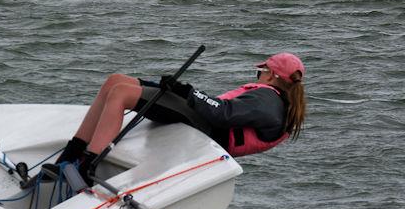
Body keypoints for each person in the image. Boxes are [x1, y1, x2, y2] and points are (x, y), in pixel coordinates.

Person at [48, 52, 307, 183]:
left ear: (273, 75)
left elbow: (223, 114)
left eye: (262, 70)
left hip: (205, 129)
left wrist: (188, 92)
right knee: (115, 81)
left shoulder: (267, 102)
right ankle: (71, 155)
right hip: (201, 118)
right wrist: (181, 91)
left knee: (120, 94)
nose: (258, 74)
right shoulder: (269, 97)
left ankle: (85, 168)